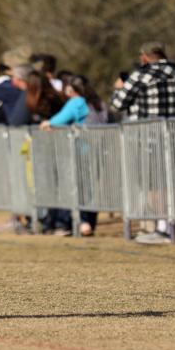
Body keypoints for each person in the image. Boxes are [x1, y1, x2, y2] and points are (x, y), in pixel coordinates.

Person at [110, 42, 175, 243]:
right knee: (170, 182)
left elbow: (118, 104)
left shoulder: (141, 75)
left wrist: (119, 89)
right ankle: (169, 225)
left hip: (149, 137)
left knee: (154, 184)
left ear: (144, 57)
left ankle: (163, 228)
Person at [39, 75, 105, 236]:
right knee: (89, 187)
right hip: (99, 150)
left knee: (78, 186)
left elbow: (59, 119)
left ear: (71, 89)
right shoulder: (98, 102)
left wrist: (48, 123)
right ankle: (89, 222)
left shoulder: (76, 102)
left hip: (81, 150)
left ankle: (81, 223)